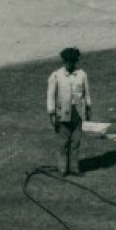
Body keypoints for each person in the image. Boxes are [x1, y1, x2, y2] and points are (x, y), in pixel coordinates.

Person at [46, 47, 92, 176]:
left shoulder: (82, 74)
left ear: (75, 61)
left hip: (78, 112)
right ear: (64, 61)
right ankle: (62, 169)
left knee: (76, 141)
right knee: (63, 142)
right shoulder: (56, 75)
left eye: (72, 61)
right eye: (67, 61)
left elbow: (86, 93)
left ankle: (74, 168)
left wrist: (88, 108)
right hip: (62, 113)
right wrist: (52, 113)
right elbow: (50, 96)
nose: (70, 64)